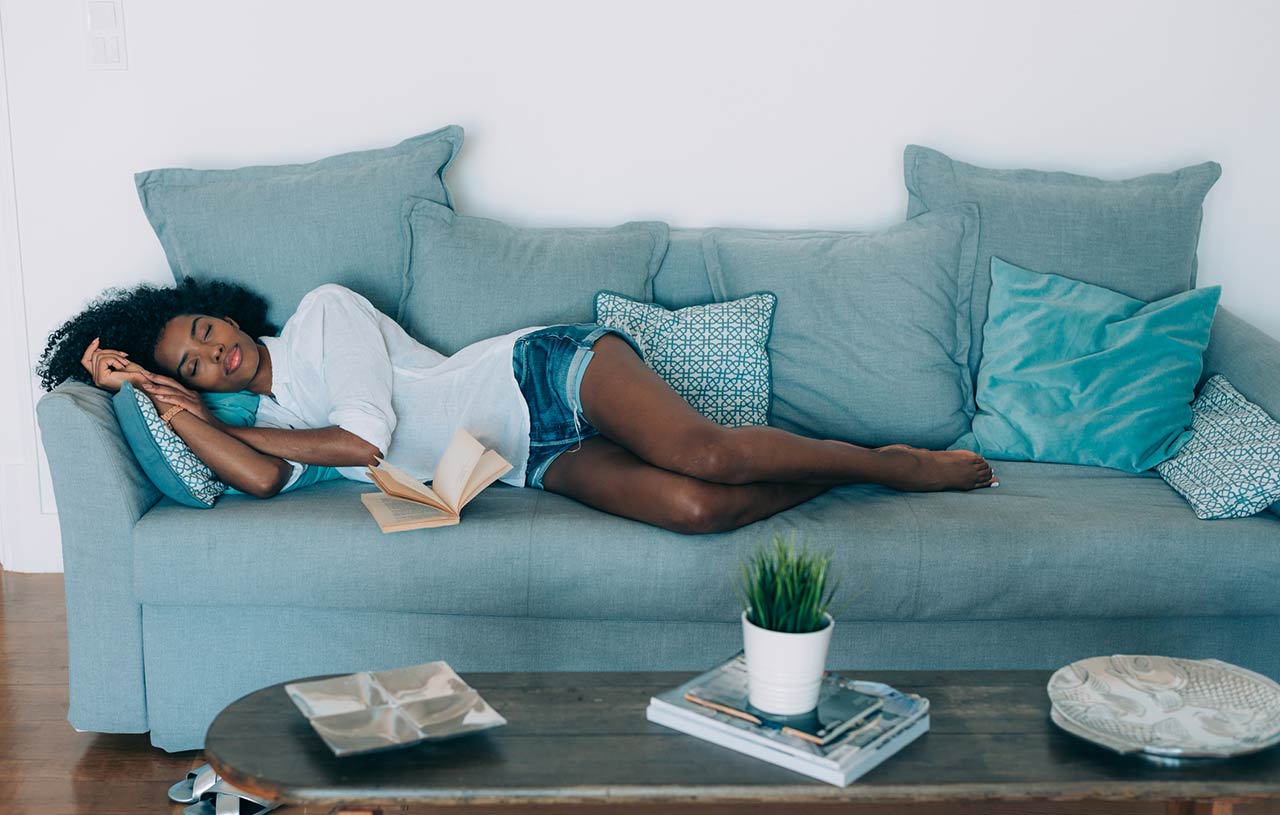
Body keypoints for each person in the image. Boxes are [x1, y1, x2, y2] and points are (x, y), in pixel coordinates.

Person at [37, 279, 997, 533]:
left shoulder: (324, 316)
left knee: (705, 456)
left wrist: (192, 407)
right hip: (531, 456)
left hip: (544, 372)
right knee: (696, 512)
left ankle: (890, 463)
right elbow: (258, 482)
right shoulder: (267, 421)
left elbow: (364, 440)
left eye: (204, 327)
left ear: (224, 311)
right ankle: (843, 483)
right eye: (194, 363)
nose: (214, 349)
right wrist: (156, 404)